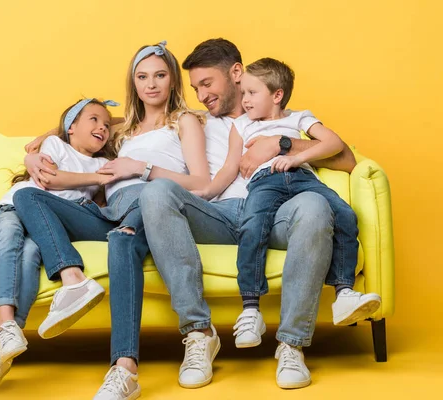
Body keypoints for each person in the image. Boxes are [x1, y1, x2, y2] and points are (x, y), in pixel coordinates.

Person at [138, 38, 357, 390]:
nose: (201, 95)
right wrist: (56, 131)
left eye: (207, 84)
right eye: (195, 88)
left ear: (237, 74)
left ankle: (292, 345)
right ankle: (198, 334)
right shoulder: (195, 121)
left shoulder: (280, 117)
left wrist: (280, 144)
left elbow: (346, 159)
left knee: (316, 205)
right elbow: (124, 120)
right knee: (157, 192)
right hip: (219, 216)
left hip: (280, 215)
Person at [23, 41, 210, 400]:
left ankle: (124, 370)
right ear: (133, 82)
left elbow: (201, 184)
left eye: (159, 75)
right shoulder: (125, 127)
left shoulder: (184, 121)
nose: (151, 84)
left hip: (150, 207)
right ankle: (73, 278)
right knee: (27, 196)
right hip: (110, 213)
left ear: (172, 81)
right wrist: (33, 155)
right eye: (142, 77)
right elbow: (69, 128)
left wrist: (141, 168)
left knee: (123, 239)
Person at [198, 57, 381, 342]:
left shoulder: (299, 118)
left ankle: (344, 292)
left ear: (277, 95)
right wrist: (205, 194)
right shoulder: (242, 125)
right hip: (264, 181)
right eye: (243, 92)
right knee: (252, 225)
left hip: (302, 178)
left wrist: (296, 157)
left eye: (251, 93)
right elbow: (229, 167)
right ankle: (250, 308)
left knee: (344, 214)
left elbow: (334, 143)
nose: (244, 100)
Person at [0, 98, 119, 385]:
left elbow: (129, 120)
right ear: (71, 127)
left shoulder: (105, 162)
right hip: (14, 207)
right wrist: (97, 178)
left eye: (106, 124)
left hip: (45, 222)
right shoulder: (55, 146)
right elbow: (50, 180)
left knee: (29, 254)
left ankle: (3, 346)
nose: (103, 127)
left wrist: (103, 176)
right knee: (11, 242)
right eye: (94, 119)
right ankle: (5, 327)